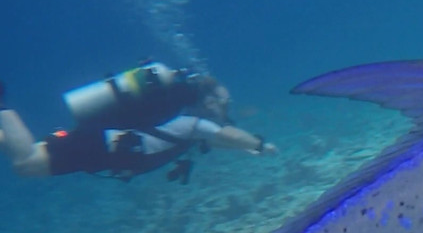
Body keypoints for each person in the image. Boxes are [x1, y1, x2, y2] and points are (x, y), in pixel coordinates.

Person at [0, 64, 278, 183]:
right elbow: (226, 134)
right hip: (97, 146)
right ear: (206, 101)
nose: (223, 111)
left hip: (99, 145)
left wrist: (247, 150)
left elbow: (219, 140)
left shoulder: (181, 120)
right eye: (222, 103)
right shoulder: (190, 122)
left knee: (30, 155)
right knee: (26, 163)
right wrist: (259, 144)